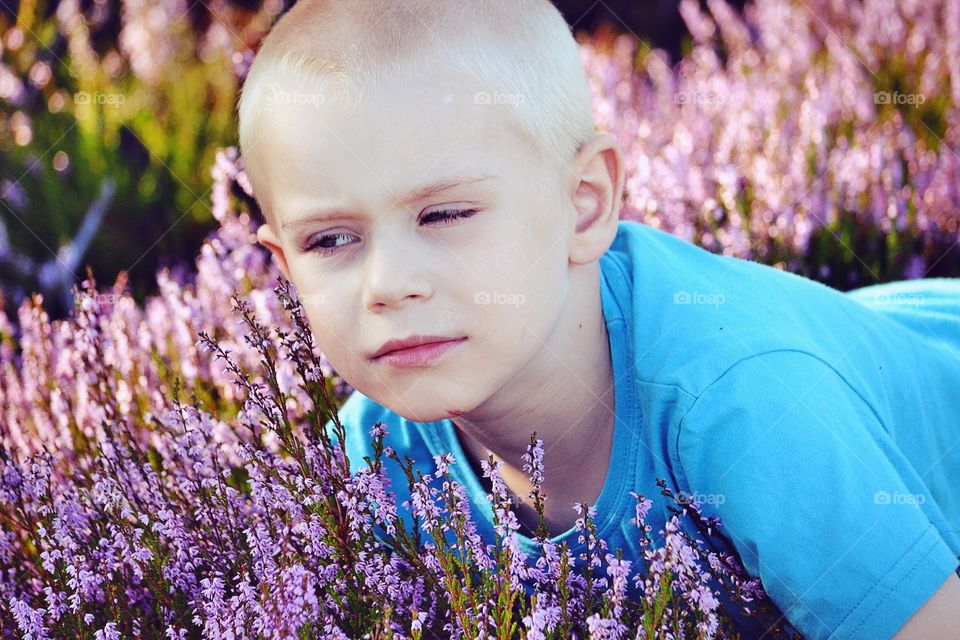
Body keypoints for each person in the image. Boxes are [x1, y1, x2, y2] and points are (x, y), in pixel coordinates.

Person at [235, 1, 960, 637]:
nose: (388, 284)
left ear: (585, 203)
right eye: (330, 240)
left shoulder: (744, 406)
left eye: (445, 213)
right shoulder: (373, 463)